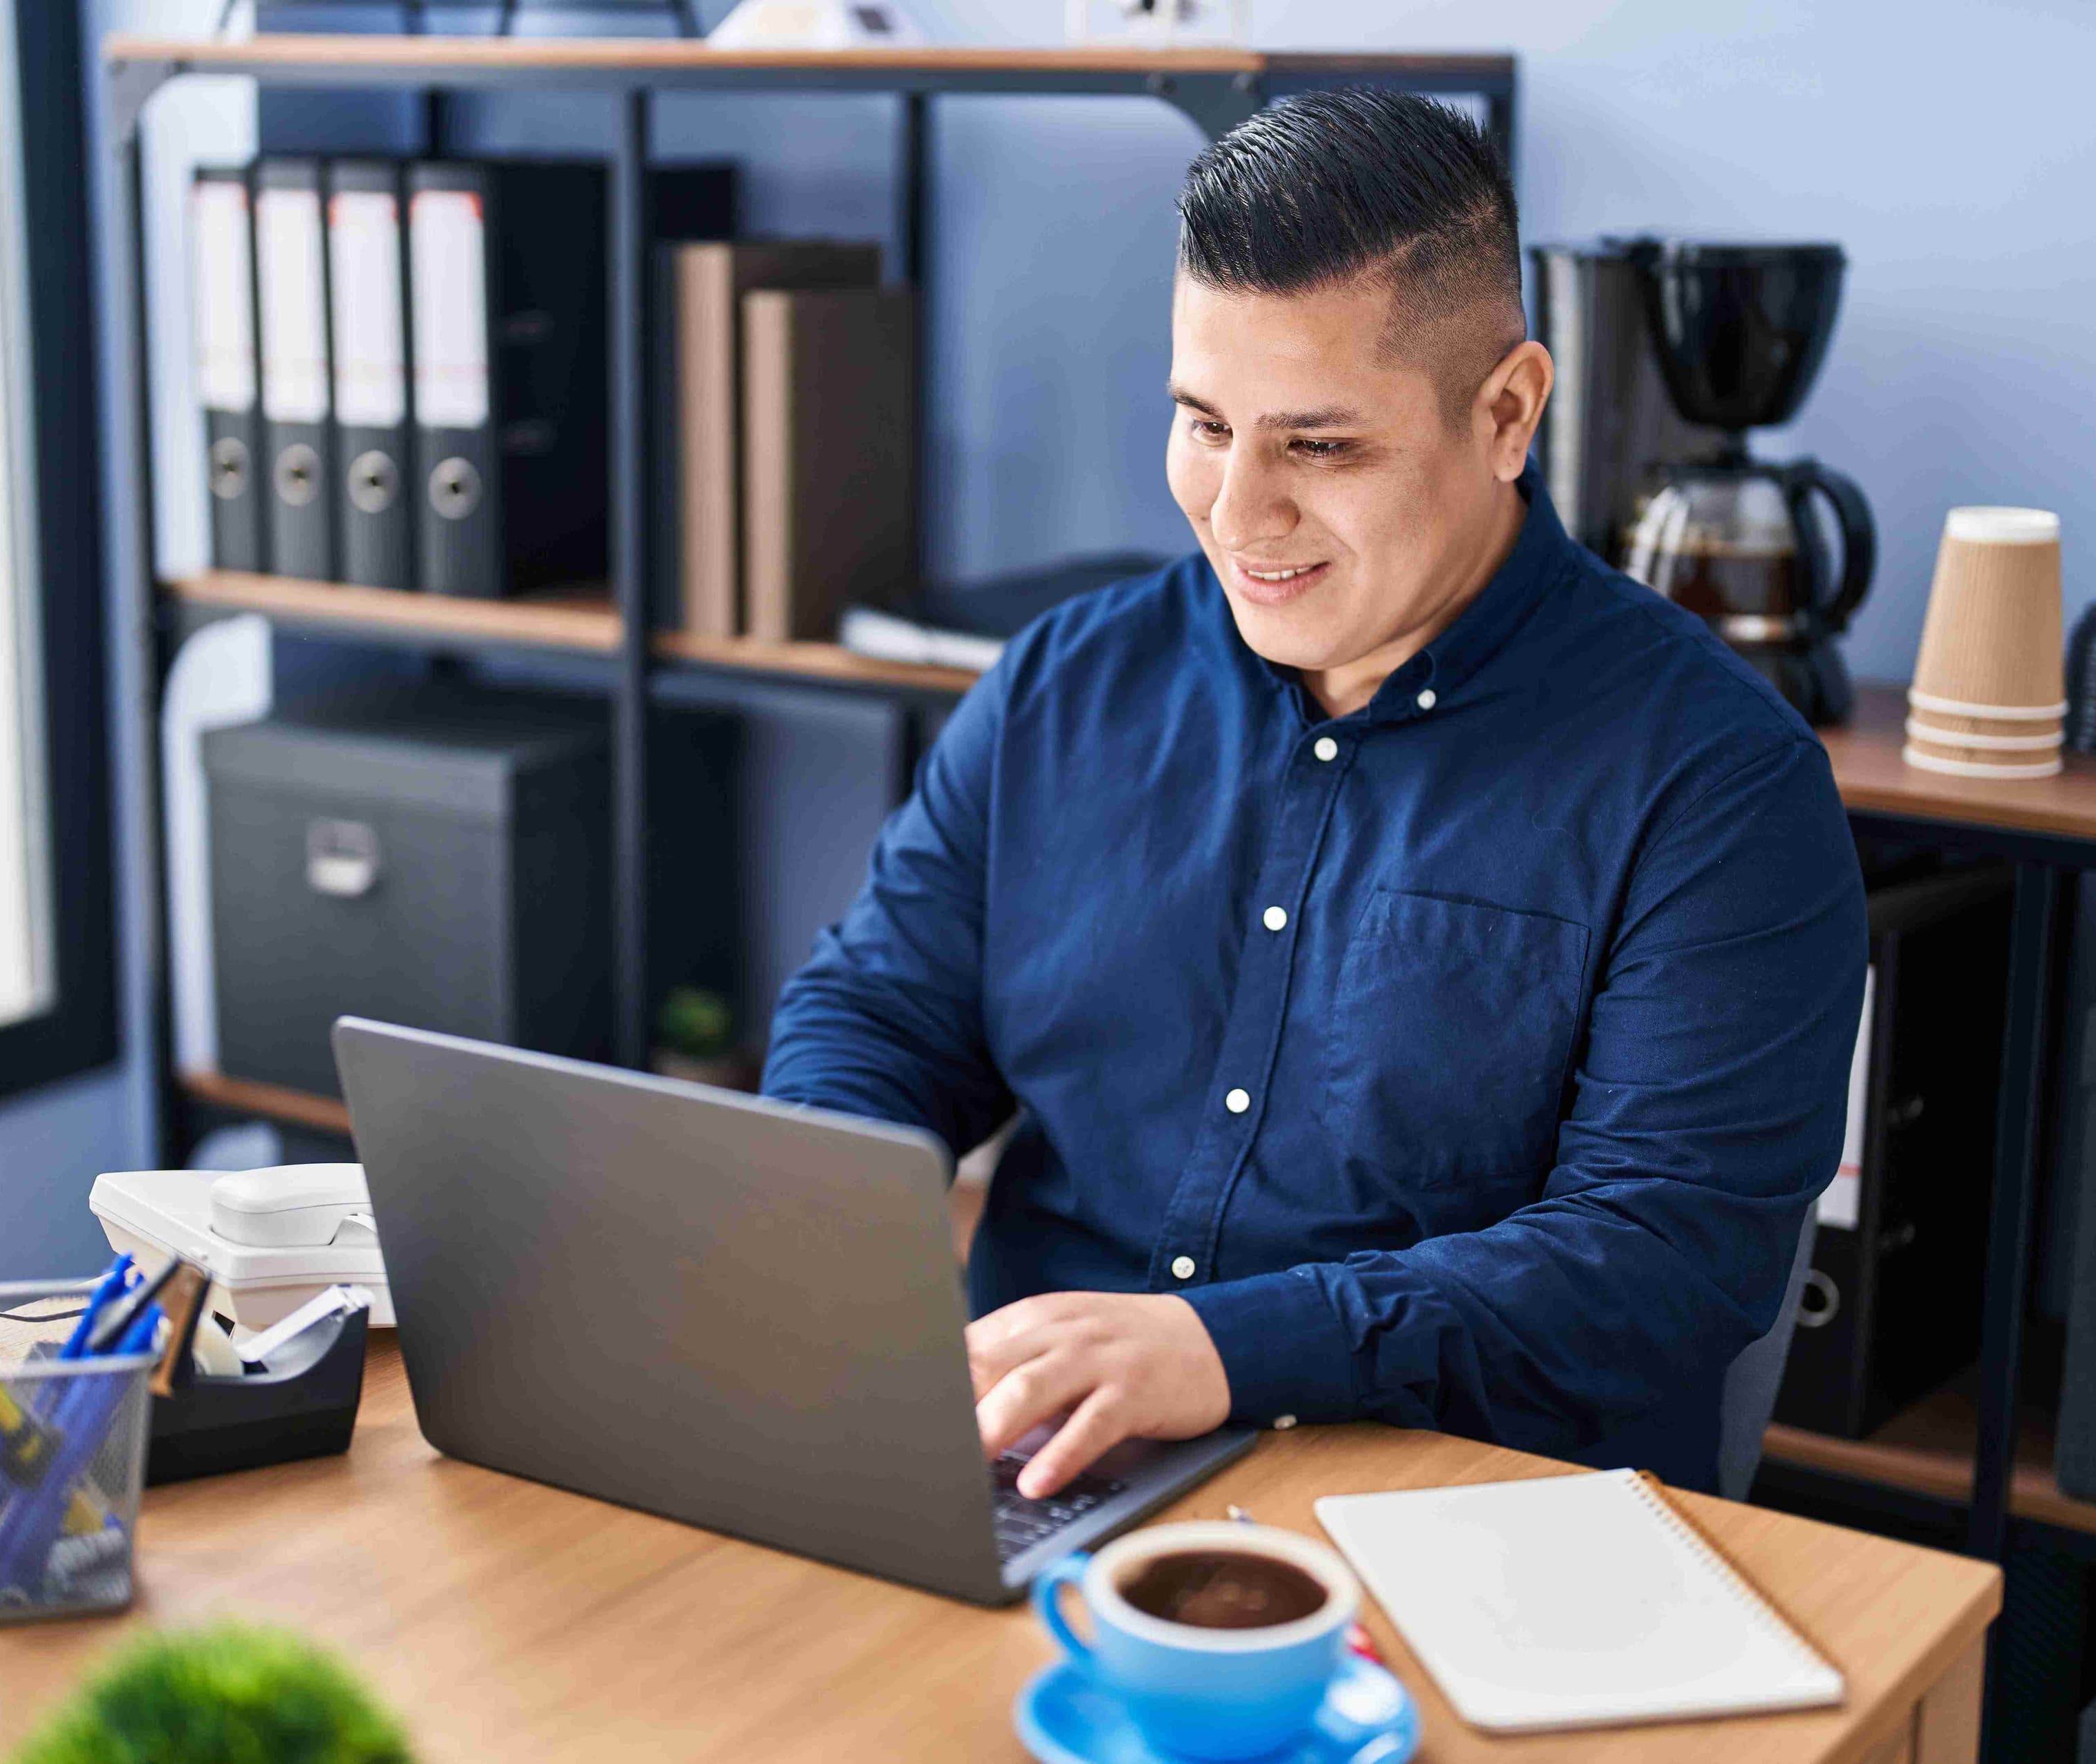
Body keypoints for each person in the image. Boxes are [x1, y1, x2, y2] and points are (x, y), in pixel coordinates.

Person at [762, 90, 1868, 1500]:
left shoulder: (1719, 787)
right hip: (1021, 1471)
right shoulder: (1063, 684)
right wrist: (838, 1216)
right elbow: (875, 1011)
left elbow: (1659, 1257)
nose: (1237, 512)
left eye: (1320, 445)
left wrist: (1225, 1347)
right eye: (1203, 423)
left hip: (1452, 1519)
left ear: (1508, 410)